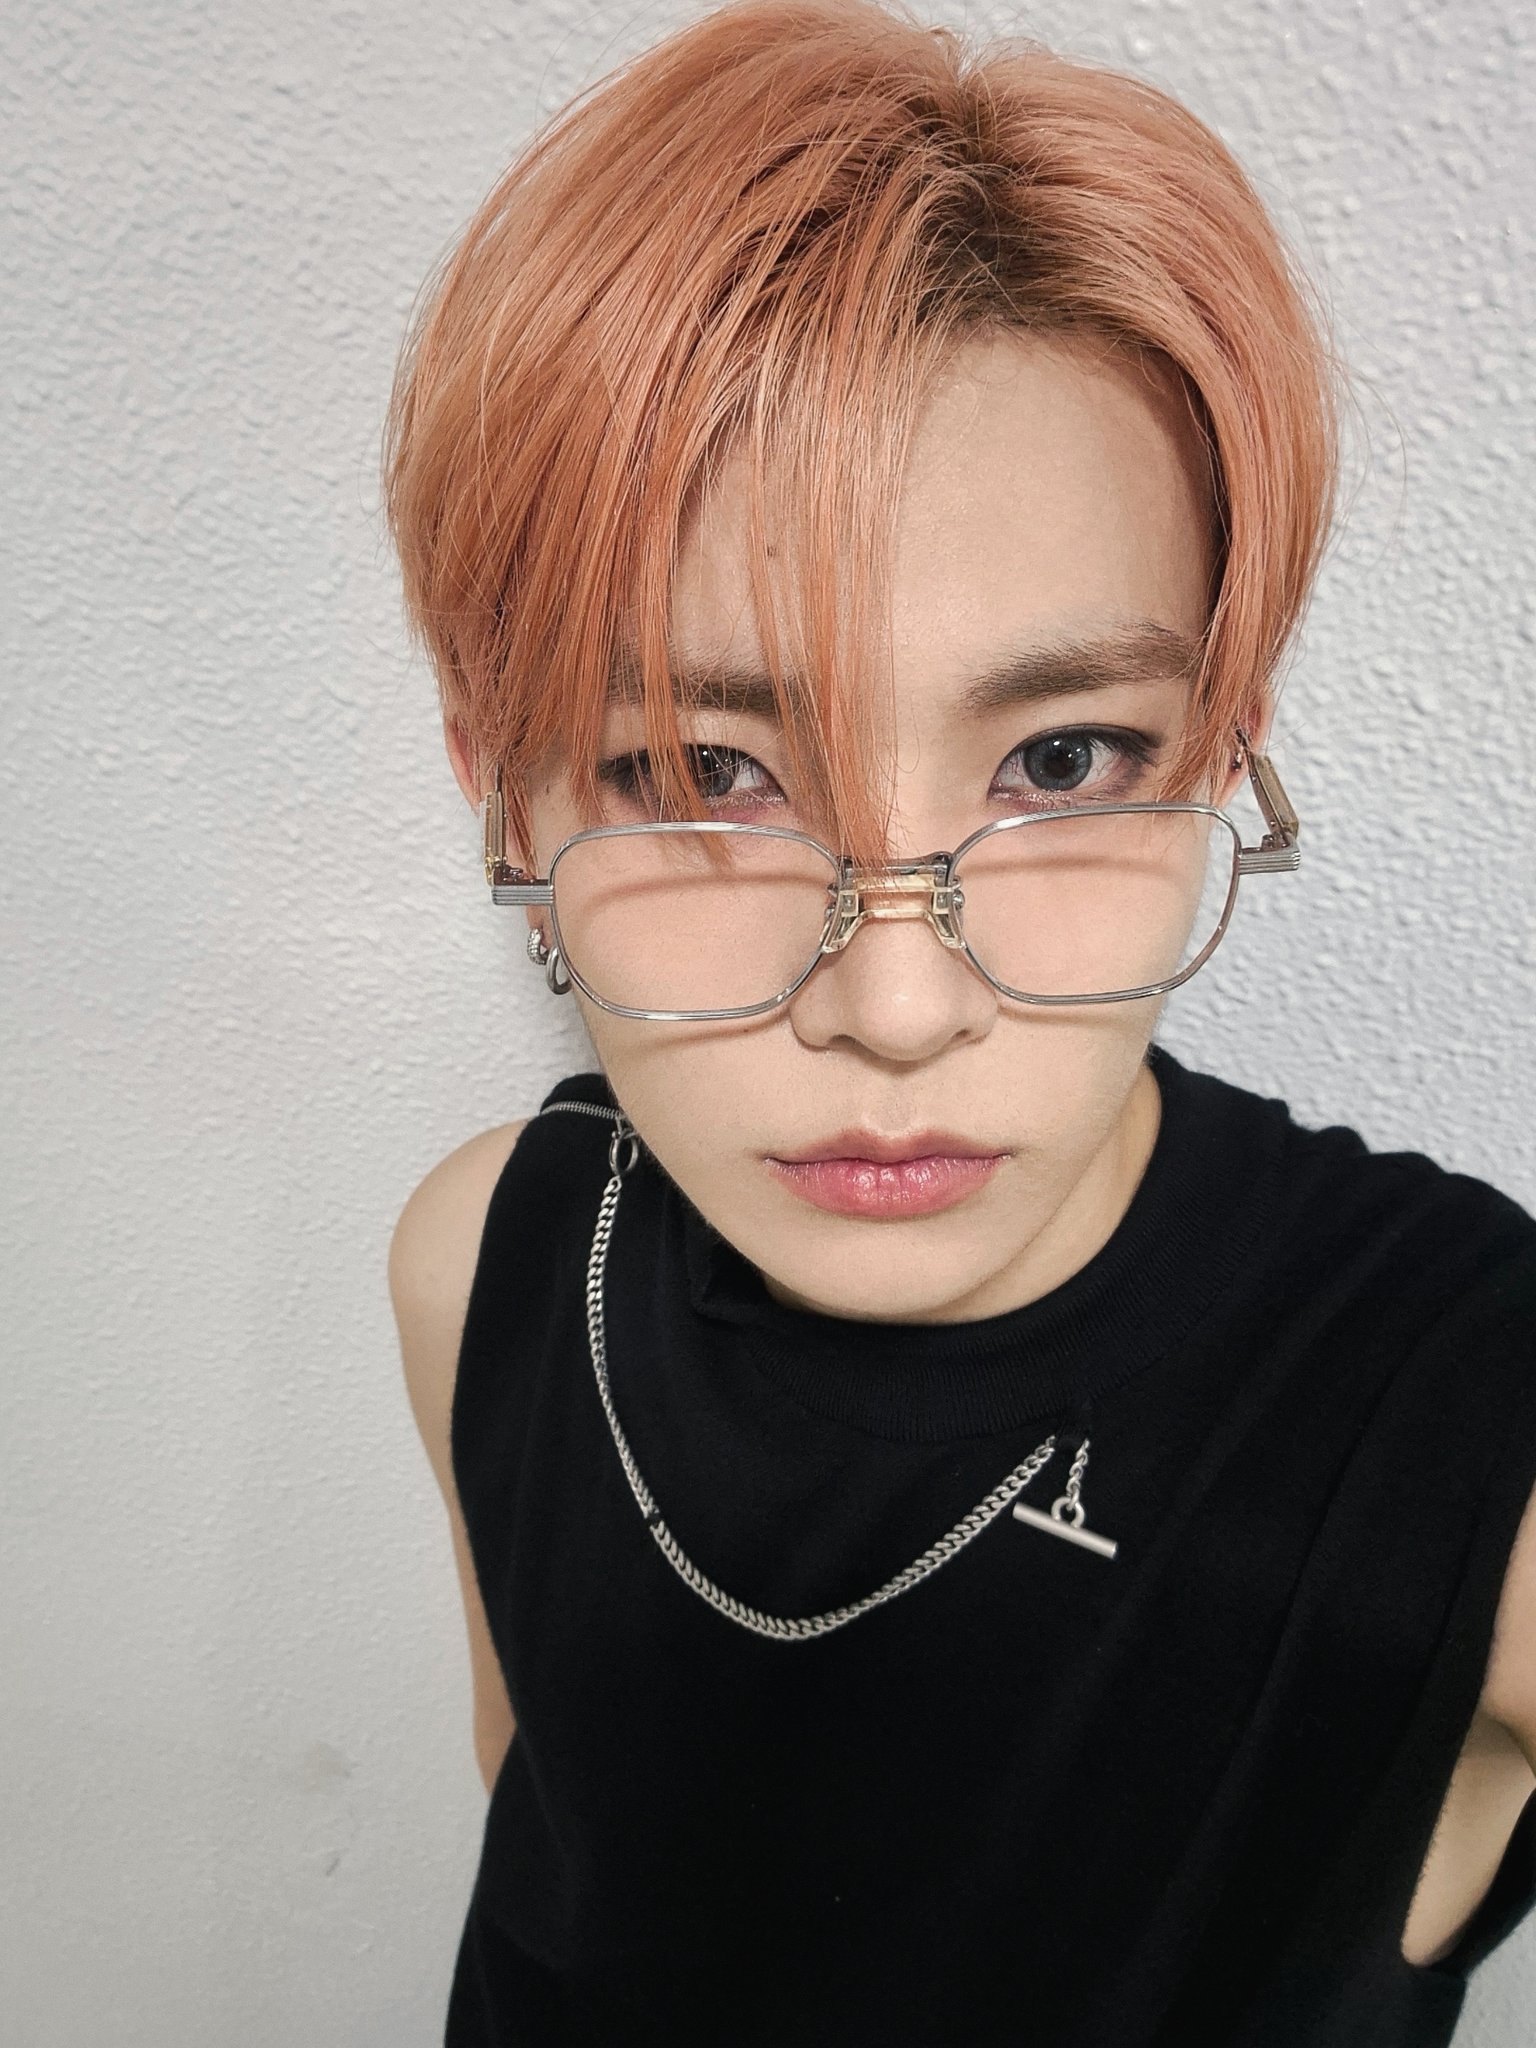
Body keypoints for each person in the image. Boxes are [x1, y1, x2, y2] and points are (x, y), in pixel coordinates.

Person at [381, 2, 1536, 2041]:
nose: (898, 1005)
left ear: (1220, 751)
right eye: (702, 772)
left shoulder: (1464, 1430)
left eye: (1067, 757)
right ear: (507, 791)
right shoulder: (490, 1258)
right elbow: (561, 1854)